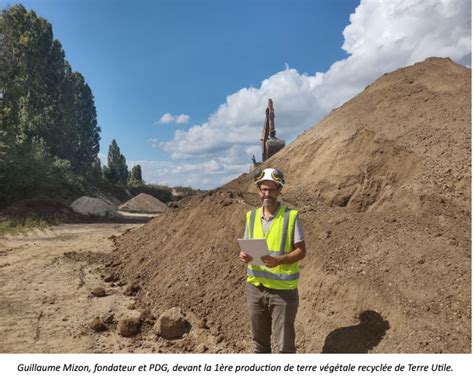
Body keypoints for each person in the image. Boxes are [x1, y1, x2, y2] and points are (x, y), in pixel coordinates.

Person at [239, 168, 306, 353]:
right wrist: (244, 255)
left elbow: (301, 251)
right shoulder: (251, 217)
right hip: (255, 288)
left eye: (271, 190)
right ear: (259, 191)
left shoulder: (290, 217)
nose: (267, 194)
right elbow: (247, 246)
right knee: (259, 345)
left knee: (284, 347)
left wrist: (281, 260)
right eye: (263, 189)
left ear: (279, 191)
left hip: (282, 292)